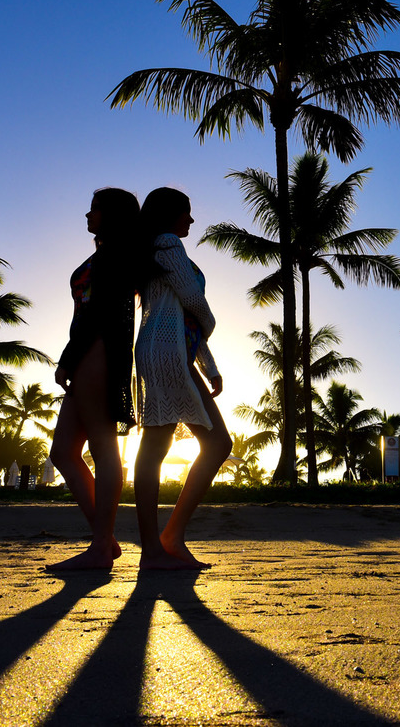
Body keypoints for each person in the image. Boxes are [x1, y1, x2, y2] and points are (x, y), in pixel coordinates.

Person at [133, 187, 233, 569]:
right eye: (186, 213)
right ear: (170, 215)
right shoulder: (167, 242)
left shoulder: (157, 246)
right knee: (212, 443)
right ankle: (162, 544)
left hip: (168, 351)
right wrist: (212, 324)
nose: (191, 220)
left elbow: (184, 322)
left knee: (162, 444)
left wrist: (211, 367)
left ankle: (162, 543)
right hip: (166, 353)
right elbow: (194, 303)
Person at [47, 187, 140, 570]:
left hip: (98, 351)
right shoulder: (103, 253)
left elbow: (98, 314)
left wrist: (68, 359)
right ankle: (105, 539)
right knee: (63, 451)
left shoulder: (117, 255)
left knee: (102, 449)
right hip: (86, 350)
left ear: (113, 215)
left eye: (96, 209)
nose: (88, 214)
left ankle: (101, 544)